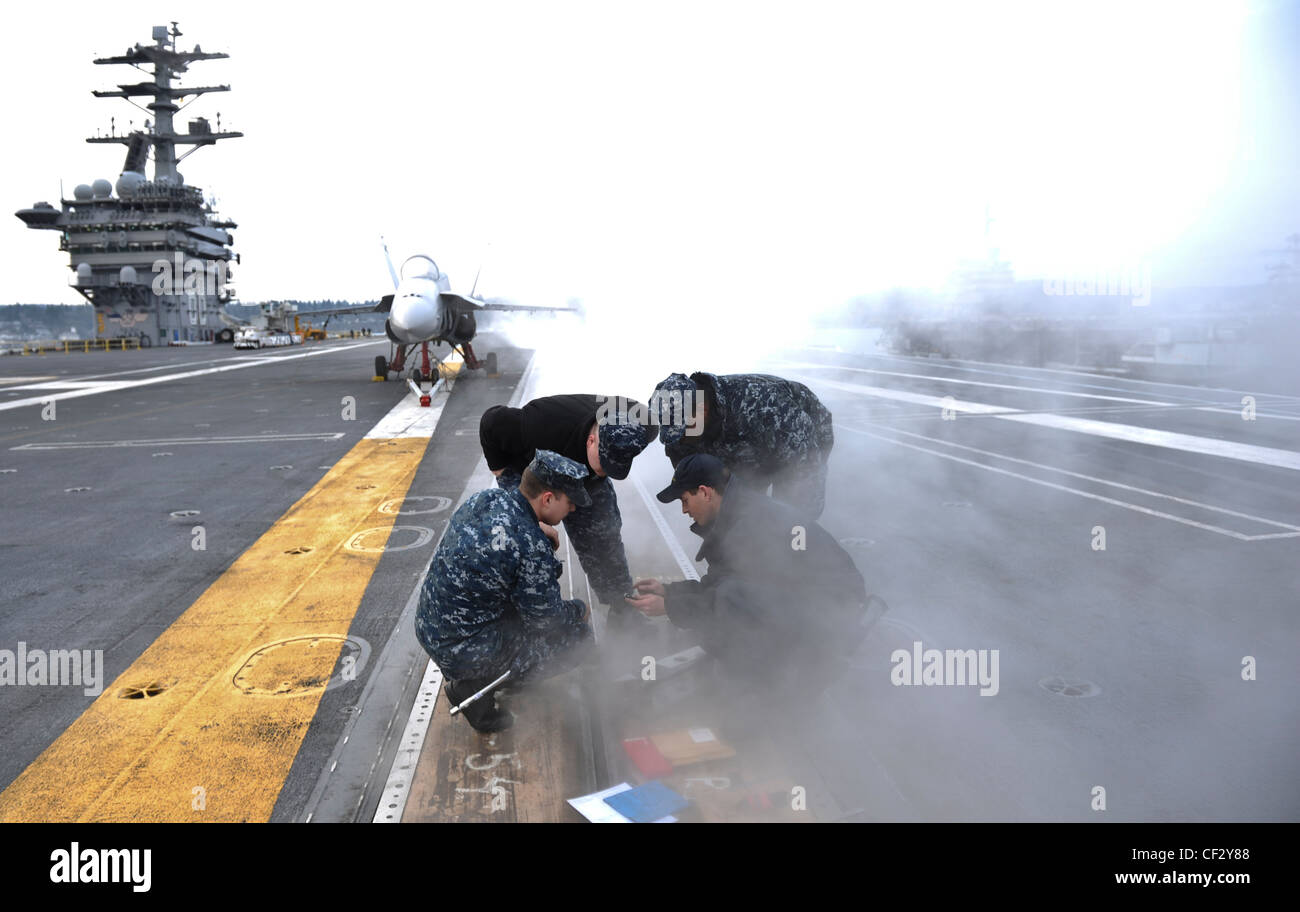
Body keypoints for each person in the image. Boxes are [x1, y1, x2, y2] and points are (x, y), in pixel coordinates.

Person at [625, 454, 868, 694]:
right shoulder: (737, 514)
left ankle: (787, 688)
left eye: (685, 500)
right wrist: (669, 592)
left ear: (705, 492)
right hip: (809, 602)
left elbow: (733, 599)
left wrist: (670, 607)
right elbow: (720, 581)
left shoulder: (751, 524)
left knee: (731, 606)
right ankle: (769, 677)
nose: (684, 510)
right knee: (728, 602)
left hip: (833, 612)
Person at [415, 450, 595, 733]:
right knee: (579, 637)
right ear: (547, 498)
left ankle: (475, 671)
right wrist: (578, 609)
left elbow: (506, 535)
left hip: (430, 629)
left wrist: (535, 530)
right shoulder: (531, 547)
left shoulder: (485, 499)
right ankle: (473, 686)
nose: (572, 510)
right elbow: (547, 621)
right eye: (570, 502)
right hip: (464, 651)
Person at [479, 393, 653, 624]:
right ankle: (531, 615)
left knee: (604, 536)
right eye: (604, 462)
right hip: (537, 474)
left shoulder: (642, 424)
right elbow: (491, 422)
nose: (606, 470)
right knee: (526, 542)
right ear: (592, 440)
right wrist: (504, 476)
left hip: (586, 480)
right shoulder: (540, 424)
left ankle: (621, 606)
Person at [650, 371, 834, 518]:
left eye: (684, 430)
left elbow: (803, 475)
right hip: (746, 450)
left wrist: (792, 534)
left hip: (801, 437)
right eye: (675, 432)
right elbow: (697, 484)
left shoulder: (765, 409)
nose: (681, 439)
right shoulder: (681, 427)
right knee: (742, 510)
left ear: (702, 410)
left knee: (791, 517)